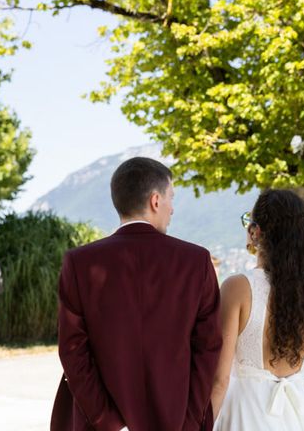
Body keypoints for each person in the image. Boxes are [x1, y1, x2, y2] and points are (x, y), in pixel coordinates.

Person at [50, 157, 222, 431]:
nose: (172, 209)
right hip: (177, 420)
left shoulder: (79, 262)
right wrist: (188, 421)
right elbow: (208, 349)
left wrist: (104, 419)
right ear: (156, 201)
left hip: (101, 424)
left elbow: (72, 350)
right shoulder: (197, 261)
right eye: (171, 197)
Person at [211, 189, 304, 430]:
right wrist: (293, 374)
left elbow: (219, 379)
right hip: (303, 415)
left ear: (255, 232)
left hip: (245, 413)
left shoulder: (238, 287)